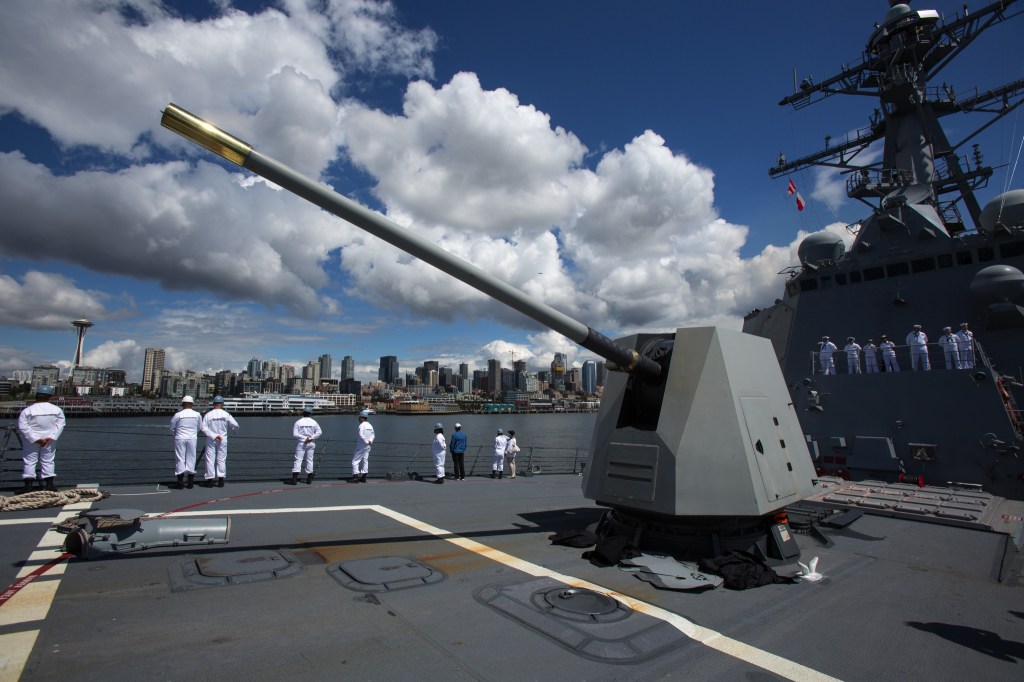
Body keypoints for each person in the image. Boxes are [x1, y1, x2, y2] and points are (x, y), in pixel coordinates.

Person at [17, 385, 65, 493]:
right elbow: (61, 424)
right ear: (50, 397)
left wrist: (36, 439)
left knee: (29, 460)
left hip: (31, 440)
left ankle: (28, 486)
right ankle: (49, 485)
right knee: (48, 460)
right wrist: (52, 437)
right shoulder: (57, 410)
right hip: (50, 439)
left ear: (36, 396)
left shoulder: (27, 411)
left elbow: (23, 427)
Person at [201, 396, 239, 487]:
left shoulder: (208, 415)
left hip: (211, 439)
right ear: (222, 404)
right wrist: (234, 431)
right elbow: (235, 425)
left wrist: (214, 436)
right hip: (223, 439)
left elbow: (203, 428)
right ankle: (221, 479)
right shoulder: (226, 414)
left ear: (214, 404)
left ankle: (209, 480)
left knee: (210, 459)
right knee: (221, 459)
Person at [169, 395, 202, 489]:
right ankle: (190, 482)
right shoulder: (197, 415)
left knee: (180, 459)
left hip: (180, 438)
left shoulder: (178, 415)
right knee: (191, 458)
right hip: (192, 438)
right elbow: (200, 427)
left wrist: (176, 433)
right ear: (192, 404)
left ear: (183, 404)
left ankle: (180, 482)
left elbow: (171, 427)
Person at [290, 407, 322, 484]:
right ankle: (309, 478)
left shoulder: (298, 422)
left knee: (298, 459)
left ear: (303, 413)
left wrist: (304, 438)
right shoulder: (314, 422)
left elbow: (295, 434)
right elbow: (319, 432)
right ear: (310, 414)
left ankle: (295, 478)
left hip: (301, 443)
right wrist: (310, 438)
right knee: (310, 460)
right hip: (311, 443)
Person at [350, 410, 374, 483]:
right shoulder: (370, 425)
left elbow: (361, 435)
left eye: (359, 417)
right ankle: (364, 477)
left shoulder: (361, 425)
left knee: (355, 461)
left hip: (361, 445)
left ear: (361, 418)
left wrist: (365, 441)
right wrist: (370, 441)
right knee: (365, 460)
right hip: (368, 446)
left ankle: (355, 477)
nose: (359, 419)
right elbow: (373, 435)